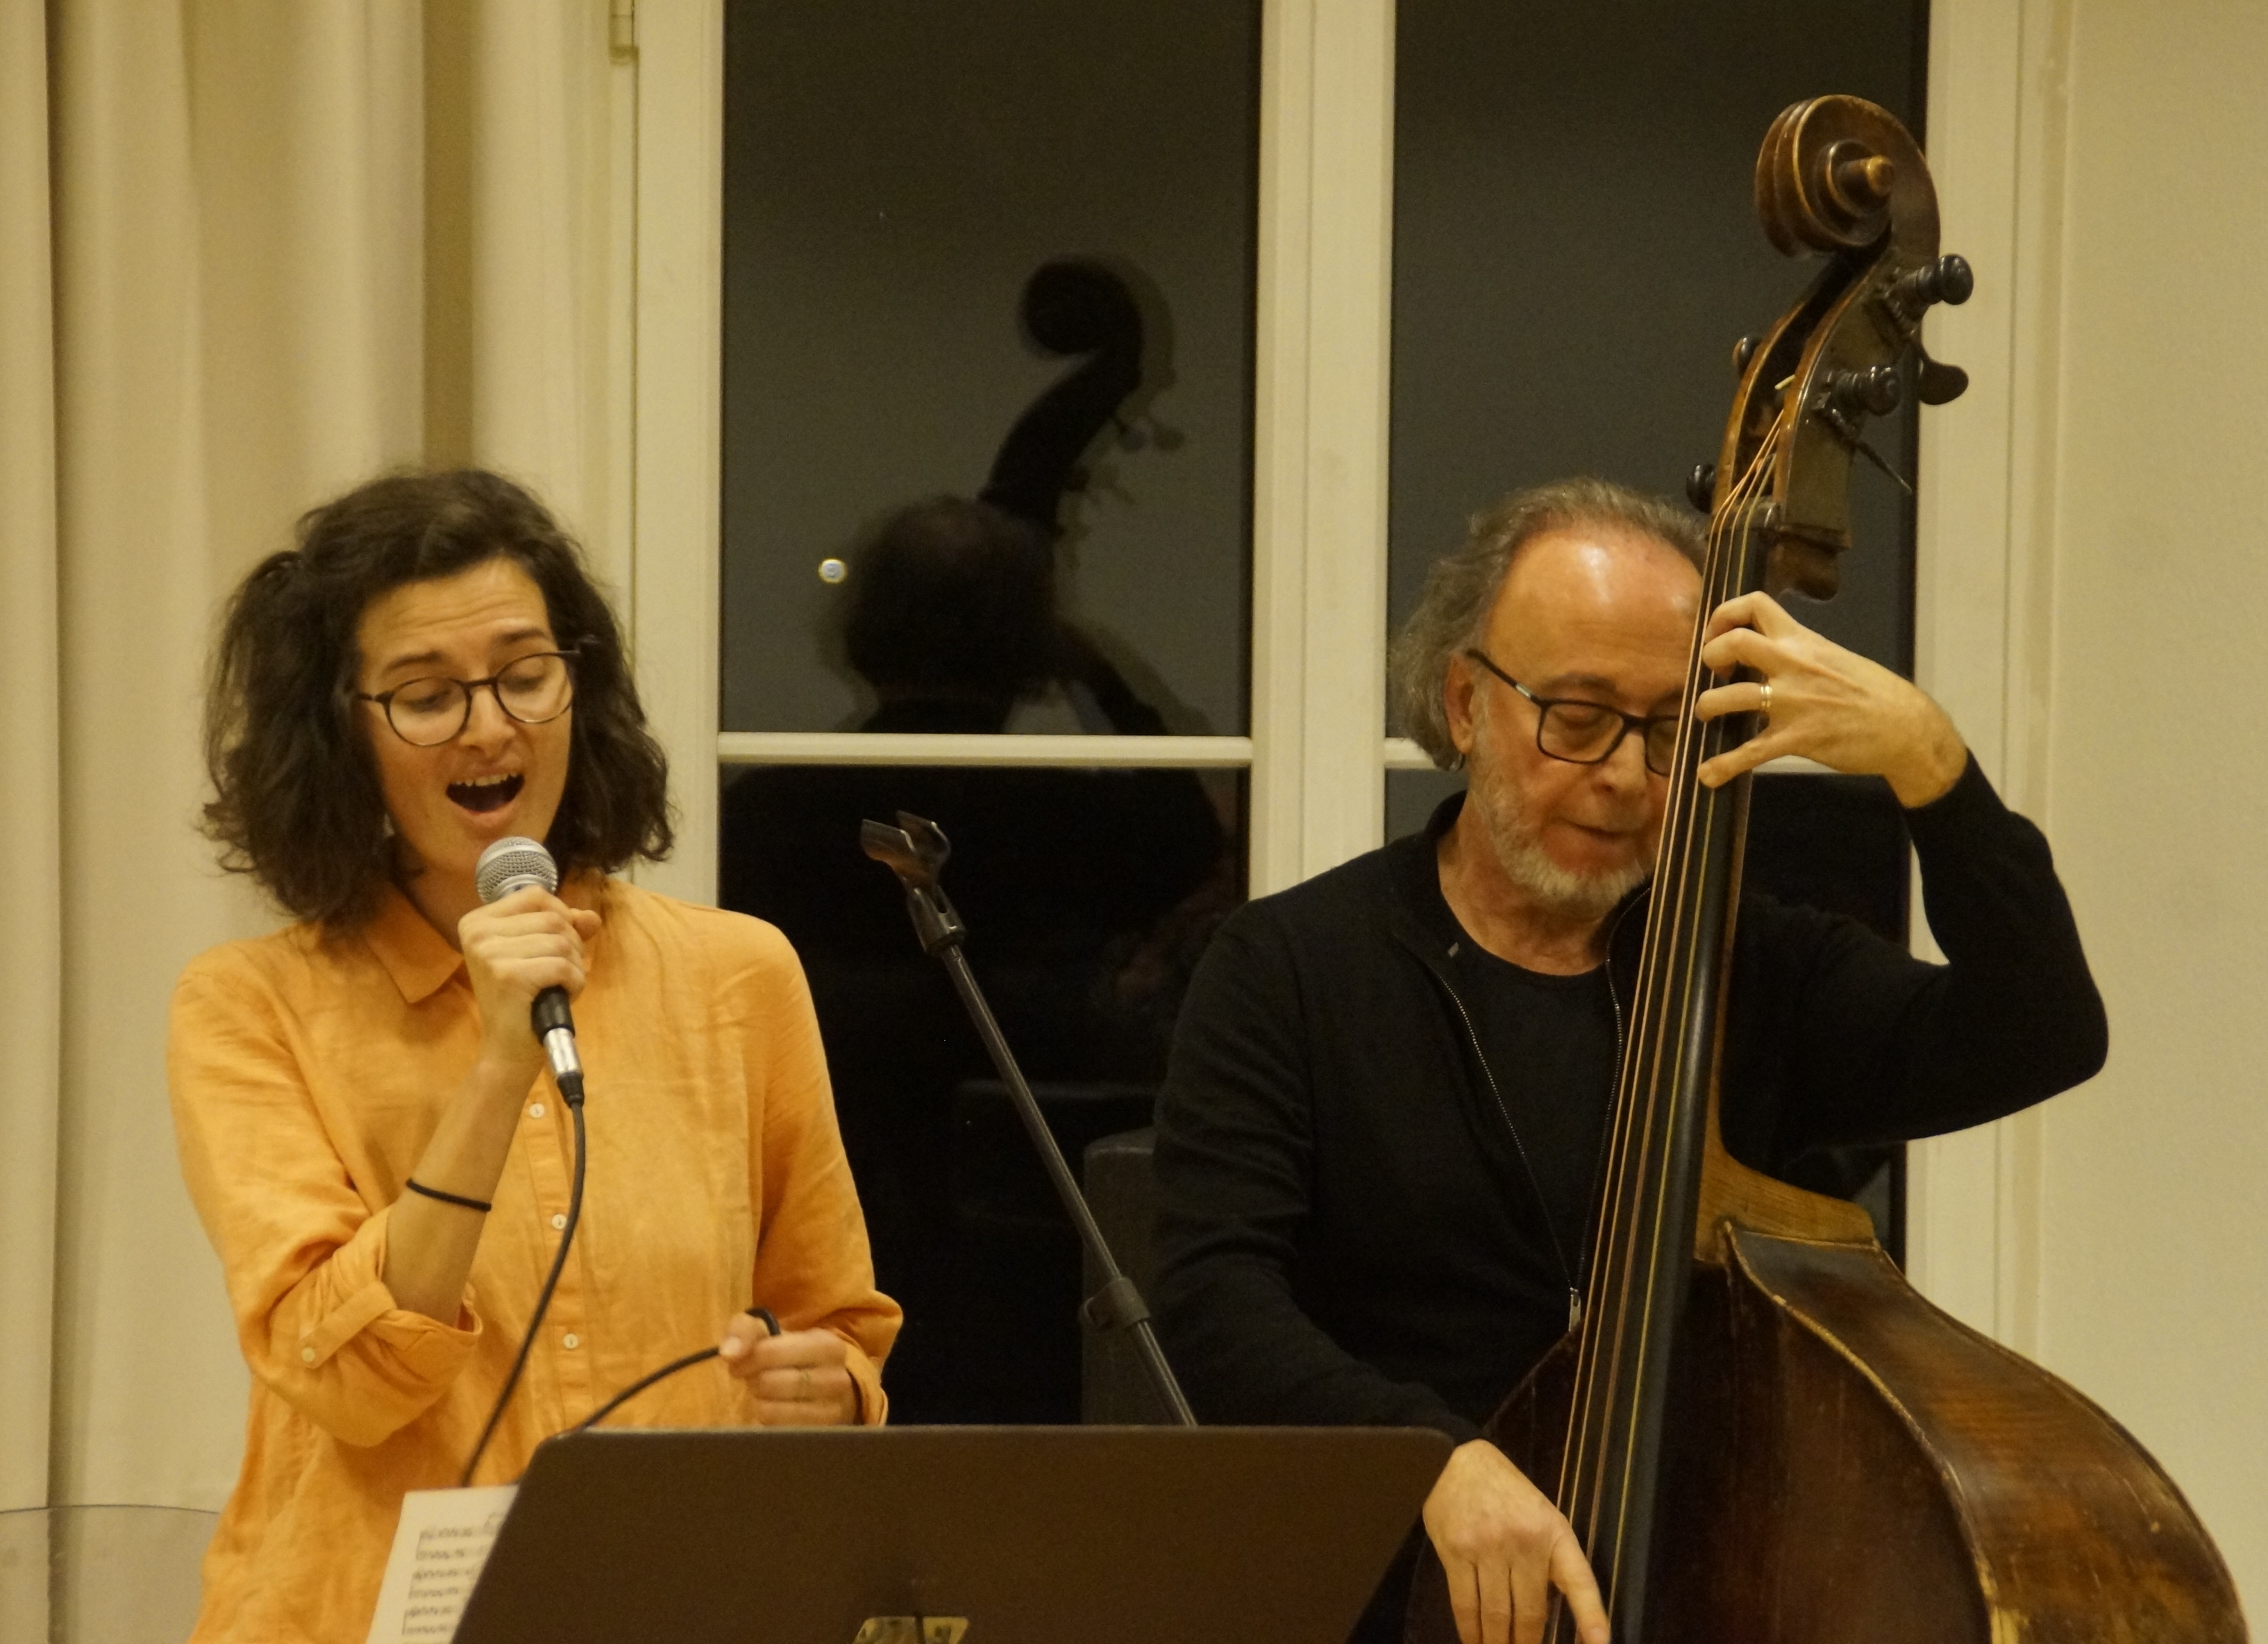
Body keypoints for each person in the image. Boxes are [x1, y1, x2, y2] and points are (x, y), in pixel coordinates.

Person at [1150, 478, 2106, 1644]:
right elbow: (1213, 1299)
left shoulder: (1751, 968)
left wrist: (1934, 771)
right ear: (1466, 703)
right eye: (1578, 715)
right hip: (1394, 1588)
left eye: (1668, 731)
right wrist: (1433, 1459)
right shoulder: (1293, 967)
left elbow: (2044, 1030)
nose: (1620, 775)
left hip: (1711, 1579)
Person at [169, 469, 900, 1643]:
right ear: (340, 733)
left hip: (673, 1608)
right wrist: (496, 1066)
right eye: (427, 697)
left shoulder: (739, 975)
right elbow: (343, 1378)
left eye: (524, 676)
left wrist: (827, 1391)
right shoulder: (251, 1005)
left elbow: (841, 1331)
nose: (489, 728)